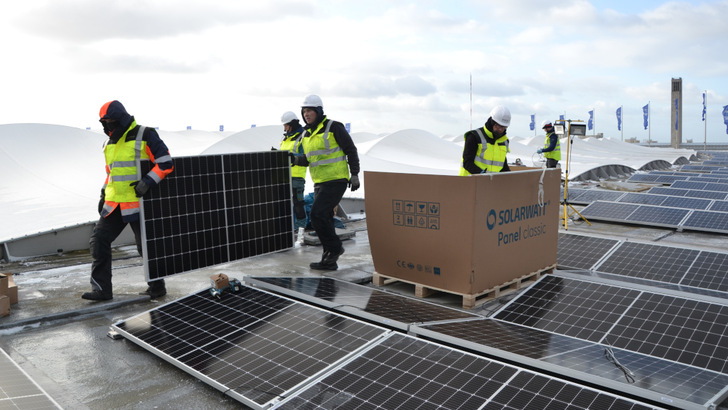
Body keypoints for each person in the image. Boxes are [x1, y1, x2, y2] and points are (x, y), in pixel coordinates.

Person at [82, 100, 174, 301]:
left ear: (121, 119)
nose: (108, 126)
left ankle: (157, 287)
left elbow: (165, 162)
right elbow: (111, 173)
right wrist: (103, 193)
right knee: (98, 241)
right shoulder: (109, 142)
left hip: (140, 203)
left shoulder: (145, 134)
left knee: (147, 248)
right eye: (104, 122)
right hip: (114, 203)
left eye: (111, 121)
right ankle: (101, 290)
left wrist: (148, 181)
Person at [292, 95, 360, 270]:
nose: (306, 114)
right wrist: (294, 159)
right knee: (326, 219)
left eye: (310, 110)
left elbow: (351, 150)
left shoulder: (333, 127)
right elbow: (309, 160)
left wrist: (354, 174)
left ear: (318, 111)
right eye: (304, 111)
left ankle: (335, 248)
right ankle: (329, 261)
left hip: (336, 180)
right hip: (319, 182)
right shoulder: (306, 134)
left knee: (317, 215)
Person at [459, 105, 511, 175]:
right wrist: (483, 174)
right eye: (498, 126)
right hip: (469, 181)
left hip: (489, 183)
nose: (500, 130)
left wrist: (511, 177)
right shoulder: (474, 137)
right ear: (492, 122)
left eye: (504, 127)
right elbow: (467, 163)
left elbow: (503, 166)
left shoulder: (504, 142)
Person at [279, 111, 307, 229]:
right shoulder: (285, 139)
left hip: (297, 176)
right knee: (284, 203)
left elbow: (305, 156)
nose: (285, 129)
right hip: (284, 176)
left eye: (286, 125)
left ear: (292, 124)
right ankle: (288, 227)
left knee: (298, 203)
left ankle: (301, 229)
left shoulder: (303, 137)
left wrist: (293, 157)